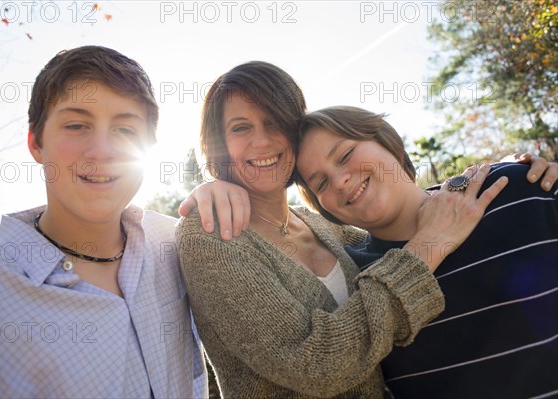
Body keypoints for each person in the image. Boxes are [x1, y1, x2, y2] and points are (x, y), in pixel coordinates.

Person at [174, 61, 514, 398]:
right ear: (217, 143)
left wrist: (499, 178)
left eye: (274, 121)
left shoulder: (329, 230)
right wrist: (430, 244)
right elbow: (315, 366)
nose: (261, 141)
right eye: (240, 128)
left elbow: (402, 221)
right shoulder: (208, 235)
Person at [0, 45, 211, 398]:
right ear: (36, 142)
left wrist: (226, 197)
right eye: (76, 125)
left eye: (125, 129)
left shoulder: (180, 243)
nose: (102, 150)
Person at [295, 105, 558, 398]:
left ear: (386, 142)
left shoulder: (515, 187)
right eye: (321, 183)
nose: (340, 180)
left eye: (345, 155)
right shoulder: (352, 283)